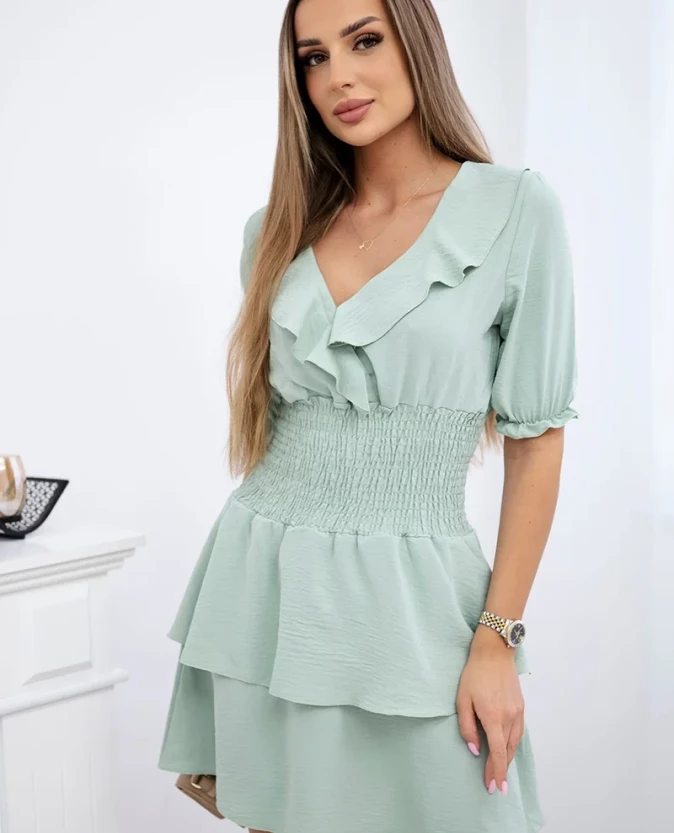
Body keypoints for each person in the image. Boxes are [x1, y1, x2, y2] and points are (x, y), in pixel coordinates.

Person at [157, 1, 579, 831]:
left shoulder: (515, 211)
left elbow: (537, 441)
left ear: (416, 43)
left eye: (365, 41)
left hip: (418, 602)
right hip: (268, 591)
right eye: (313, 57)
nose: (339, 77)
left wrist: (496, 638)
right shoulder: (274, 231)